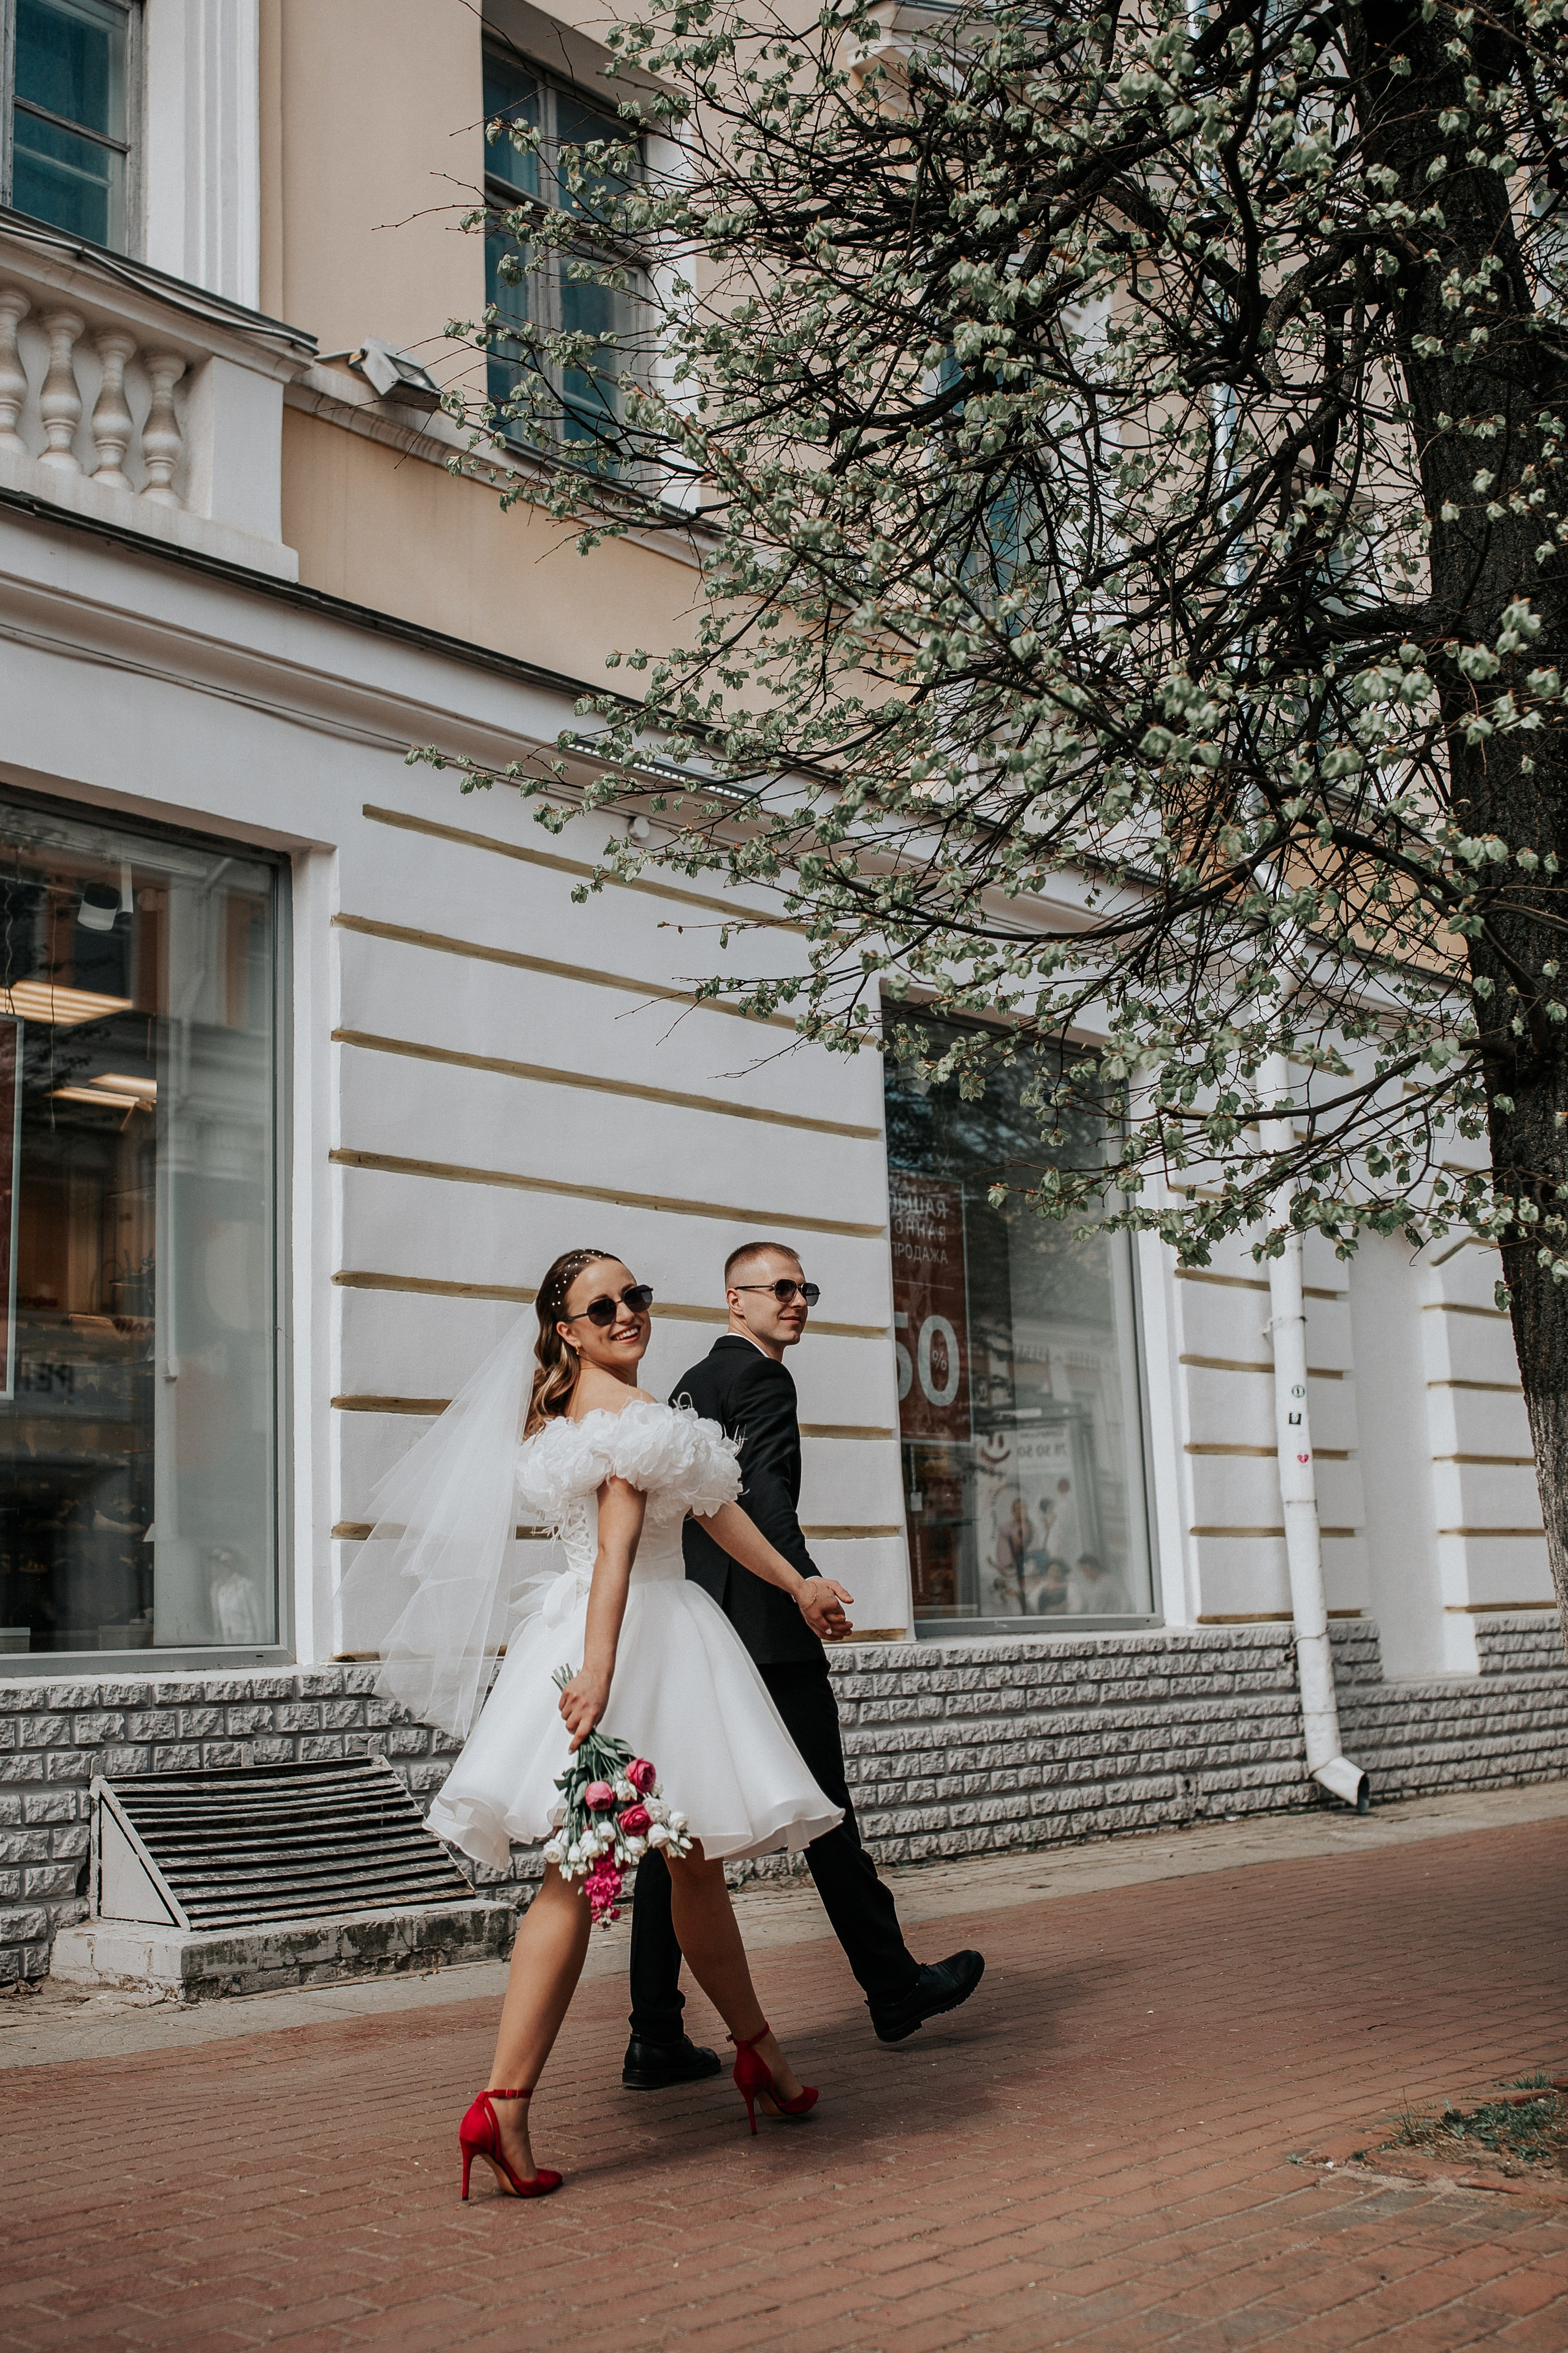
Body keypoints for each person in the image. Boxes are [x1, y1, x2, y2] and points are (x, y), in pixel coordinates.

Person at [362, 1247, 851, 2200]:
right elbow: (622, 1548)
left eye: (636, 1296)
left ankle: (764, 2062)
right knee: (580, 1877)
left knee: (690, 1871)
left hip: (621, 1633)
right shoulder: (626, 1418)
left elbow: (716, 1511)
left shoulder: (593, 1413)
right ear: (569, 1330)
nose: (628, 1312)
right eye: (604, 1306)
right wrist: (599, 1674)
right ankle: (503, 2102)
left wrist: (795, 1585)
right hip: (633, 1643)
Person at [625, 1239, 984, 2089]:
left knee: (674, 1838)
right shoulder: (759, 1379)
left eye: (802, 1288)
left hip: (694, 1626)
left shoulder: (689, 1385)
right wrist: (803, 1585)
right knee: (824, 1810)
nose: (795, 1302)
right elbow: (762, 1494)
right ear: (733, 1301)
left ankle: (653, 2033)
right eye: (776, 1289)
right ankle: (893, 1987)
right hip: (761, 1628)